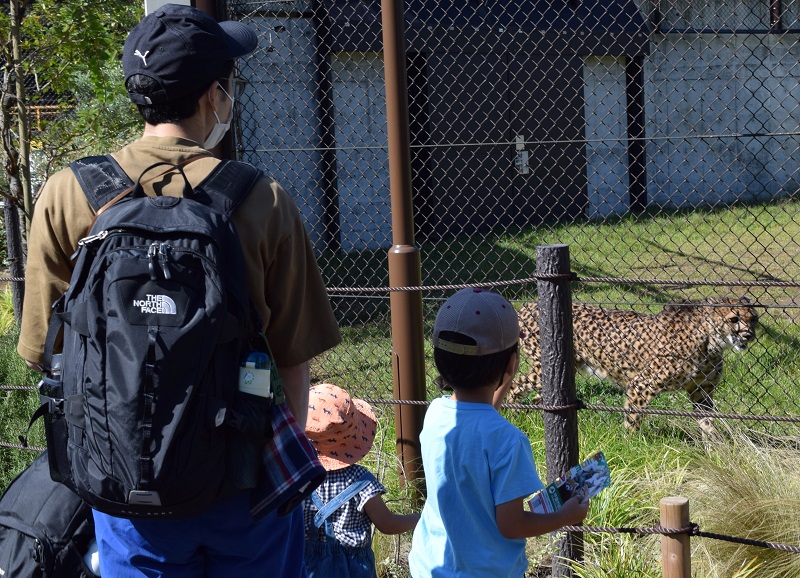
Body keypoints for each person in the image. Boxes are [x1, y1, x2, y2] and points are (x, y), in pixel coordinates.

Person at [17, 4, 341, 577]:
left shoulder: (69, 195)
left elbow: (46, 350)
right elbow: (293, 359)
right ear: (214, 95)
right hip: (243, 481)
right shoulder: (263, 199)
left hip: (124, 487)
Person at [408, 288, 590, 578]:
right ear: (512, 364)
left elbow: (474, 418)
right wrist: (564, 517)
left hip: (430, 566)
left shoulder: (435, 414)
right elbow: (512, 524)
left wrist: (503, 382)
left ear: (440, 360)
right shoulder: (508, 441)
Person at [303, 383, 420, 578]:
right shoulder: (361, 480)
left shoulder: (299, 479)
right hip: (354, 568)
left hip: (307, 565)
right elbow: (387, 524)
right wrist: (420, 519)